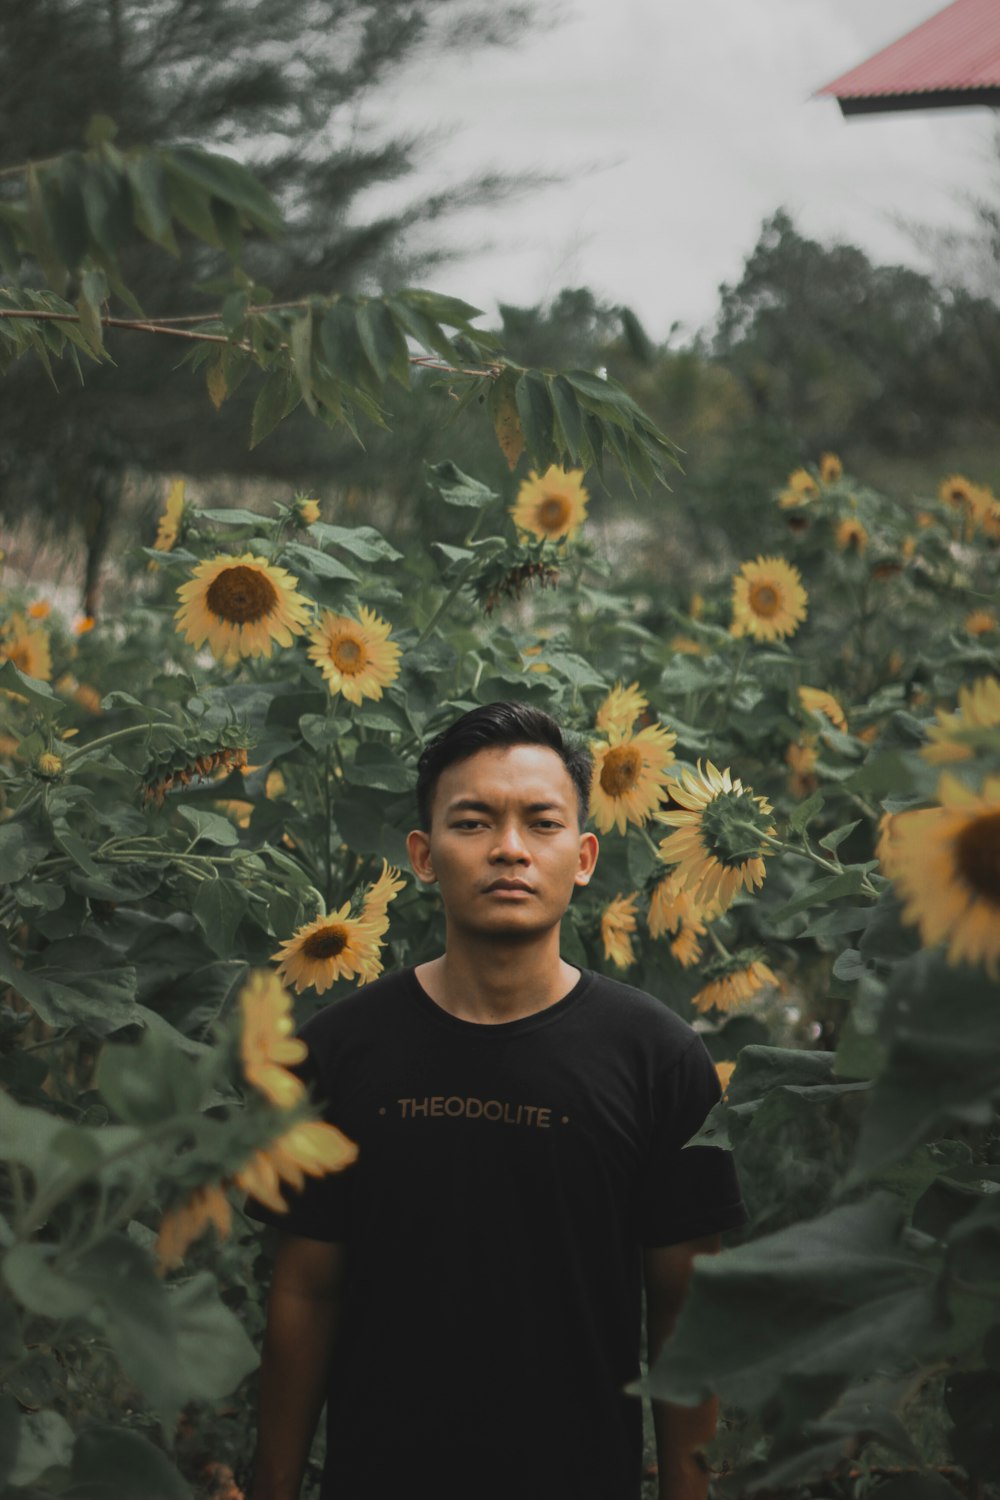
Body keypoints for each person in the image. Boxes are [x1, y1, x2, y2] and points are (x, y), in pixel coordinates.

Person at [246, 701, 747, 1500]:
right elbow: (307, 1289)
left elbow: (684, 1311)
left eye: (541, 823)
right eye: (473, 822)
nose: (509, 849)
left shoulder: (658, 1059)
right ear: (422, 853)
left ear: (583, 856)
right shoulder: (340, 1052)